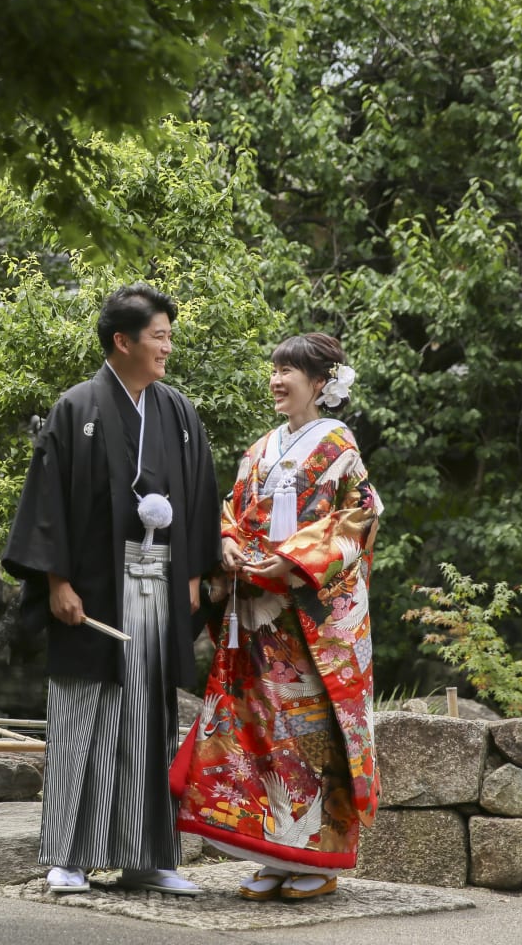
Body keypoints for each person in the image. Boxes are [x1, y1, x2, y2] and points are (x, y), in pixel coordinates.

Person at [1, 283, 220, 895]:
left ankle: (148, 857)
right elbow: (47, 502)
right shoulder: (76, 408)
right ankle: (68, 856)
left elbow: (201, 495)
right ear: (122, 341)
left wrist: (197, 575)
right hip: (94, 591)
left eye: (169, 336)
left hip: (162, 585)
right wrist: (57, 581)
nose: (167, 347)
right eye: (159, 336)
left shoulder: (177, 412)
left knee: (149, 719)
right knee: (83, 718)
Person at [171, 333, 382, 901]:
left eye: (290, 370)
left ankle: (318, 855)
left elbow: (359, 518)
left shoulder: (339, 447)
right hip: (258, 615)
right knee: (259, 731)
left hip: (308, 617)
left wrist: (288, 562)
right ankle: (270, 849)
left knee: (313, 733)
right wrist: (228, 547)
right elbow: (232, 514)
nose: (277, 379)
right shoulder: (260, 449)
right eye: (275, 368)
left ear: (320, 383)